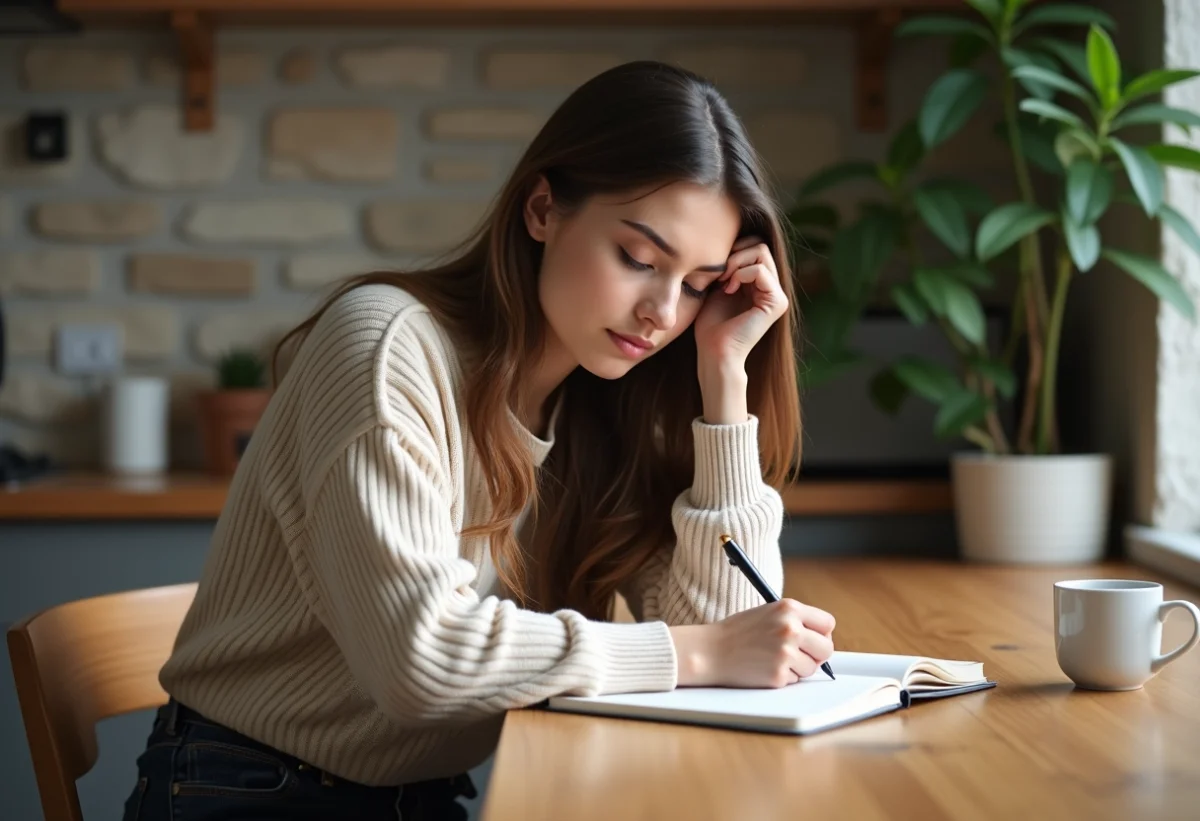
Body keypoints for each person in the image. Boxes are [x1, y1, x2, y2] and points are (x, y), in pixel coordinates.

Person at [122, 59, 836, 821]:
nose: (663, 311)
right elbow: (420, 661)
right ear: (541, 208)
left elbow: (725, 636)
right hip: (247, 791)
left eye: (696, 283)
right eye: (637, 258)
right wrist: (698, 654)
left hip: (421, 796)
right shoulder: (385, 346)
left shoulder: (604, 400)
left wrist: (725, 384)